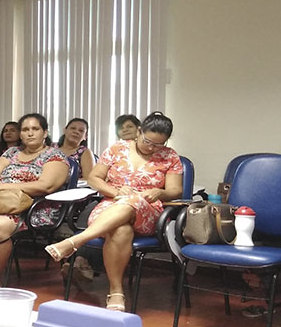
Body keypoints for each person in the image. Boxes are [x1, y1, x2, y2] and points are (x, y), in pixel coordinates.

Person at [46, 112, 183, 312]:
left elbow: (175, 190)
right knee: (121, 231)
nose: (151, 148)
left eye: (158, 144)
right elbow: (94, 178)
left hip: (147, 211)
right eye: (147, 141)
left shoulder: (170, 156)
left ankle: (74, 241)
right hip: (110, 204)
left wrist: (160, 191)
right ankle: (116, 292)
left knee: (133, 200)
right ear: (139, 132)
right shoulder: (117, 149)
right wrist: (116, 191)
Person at [0, 113, 68, 290]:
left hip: (32, 208)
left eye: (35, 129)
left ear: (45, 133)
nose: (30, 133)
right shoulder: (12, 152)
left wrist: (4, 188)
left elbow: (46, 186)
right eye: (25, 129)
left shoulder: (54, 155)